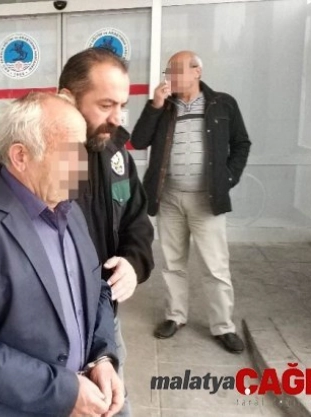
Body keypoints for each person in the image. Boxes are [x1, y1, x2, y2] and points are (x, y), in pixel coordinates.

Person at [0, 47, 154, 416]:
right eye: (105, 105)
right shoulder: (15, 162)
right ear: (68, 99)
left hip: (102, 326)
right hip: (35, 335)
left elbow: (136, 221)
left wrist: (133, 263)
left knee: (113, 406)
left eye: (122, 105)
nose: (117, 118)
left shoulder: (117, 156)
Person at [0, 92, 124, 416]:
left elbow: (96, 290)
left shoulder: (71, 210)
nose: (83, 165)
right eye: (70, 152)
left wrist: (102, 357)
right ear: (21, 156)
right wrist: (66, 392)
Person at [130, 51, 251, 353]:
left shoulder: (222, 103)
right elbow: (139, 140)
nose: (170, 77)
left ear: (197, 71)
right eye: (168, 71)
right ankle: (175, 316)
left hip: (206, 200)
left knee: (215, 267)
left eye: (176, 70)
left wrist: (228, 178)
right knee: (173, 264)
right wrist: (155, 106)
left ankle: (223, 326)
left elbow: (241, 143)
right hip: (169, 197)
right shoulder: (163, 107)